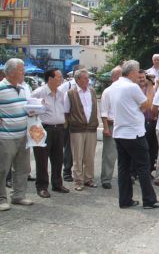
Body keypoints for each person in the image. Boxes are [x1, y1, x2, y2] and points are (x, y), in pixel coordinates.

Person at [110, 60, 159, 209]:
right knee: (143, 167)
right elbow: (147, 105)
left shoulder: (114, 85)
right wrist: (151, 87)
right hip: (133, 133)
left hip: (120, 132)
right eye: (139, 71)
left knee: (123, 167)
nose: (140, 75)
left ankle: (125, 200)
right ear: (133, 72)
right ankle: (149, 200)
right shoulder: (132, 87)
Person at [0, 58, 33, 211]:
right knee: (2, 169)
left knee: (23, 168)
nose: (23, 72)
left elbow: (26, 107)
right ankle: (1, 199)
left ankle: (19, 195)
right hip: (5, 137)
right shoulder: (0, 87)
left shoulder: (23, 88)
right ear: (12, 72)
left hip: (23, 135)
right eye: (21, 70)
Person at [31, 68, 69, 198]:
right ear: (50, 79)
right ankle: (42, 187)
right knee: (42, 159)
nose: (61, 79)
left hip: (59, 129)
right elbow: (29, 110)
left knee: (58, 158)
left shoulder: (60, 93)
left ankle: (57, 184)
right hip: (43, 129)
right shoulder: (38, 93)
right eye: (59, 76)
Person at [64, 68, 98, 191]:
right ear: (77, 79)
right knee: (77, 156)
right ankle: (78, 181)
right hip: (77, 129)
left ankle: (89, 178)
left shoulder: (92, 92)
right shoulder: (70, 93)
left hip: (91, 128)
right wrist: (72, 123)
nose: (88, 80)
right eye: (85, 78)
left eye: (88, 78)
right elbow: (66, 112)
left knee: (89, 155)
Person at [99, 66, 122, 189]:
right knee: (109, 154)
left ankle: (124, 176)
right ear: (113, 77)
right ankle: (106, 179)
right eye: (119, 76)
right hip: (112, 124)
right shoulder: (107, 91)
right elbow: (103, 111)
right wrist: (106, 128)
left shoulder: (124, 90)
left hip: (123, 125)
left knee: (124, 154)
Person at [138, 70, 157, 174]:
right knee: (140, 148)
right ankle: (136, 171)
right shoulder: (135, 90)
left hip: (151, 121)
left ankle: (148, 171)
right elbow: (145, 106)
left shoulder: (152, 90)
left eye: (143, 78)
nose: (141, 80)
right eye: (139, 78)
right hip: (140, 123)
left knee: (151, 147)